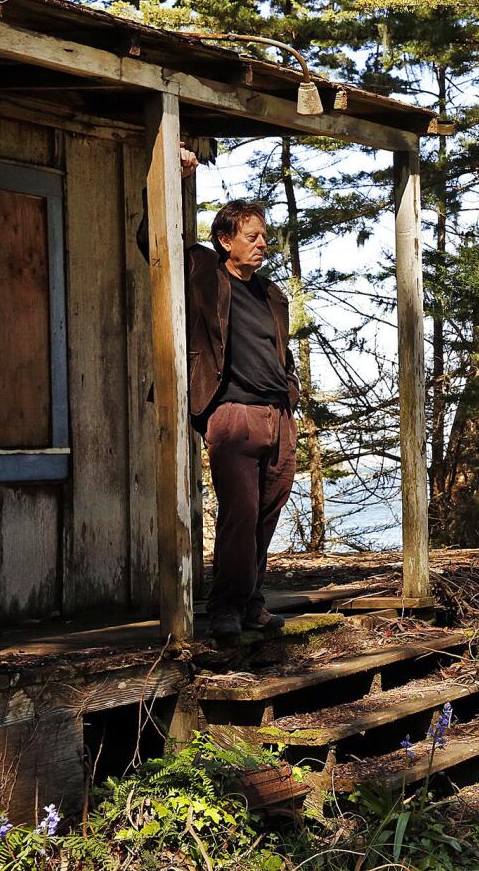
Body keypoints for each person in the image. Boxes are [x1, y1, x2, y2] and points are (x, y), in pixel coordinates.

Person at [186, 197, 300, 640]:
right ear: (224, 240)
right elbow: (151, 240)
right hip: (233, 414)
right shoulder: (203, 273)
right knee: (241, 512)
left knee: (266, 512)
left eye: (264, 237)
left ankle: (251, 601)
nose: (262, 244)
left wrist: (290, 393)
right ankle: (225, 608)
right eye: (251, 237)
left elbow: (281, 352)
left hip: (277, 416)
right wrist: (169, 176)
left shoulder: (271, 292)